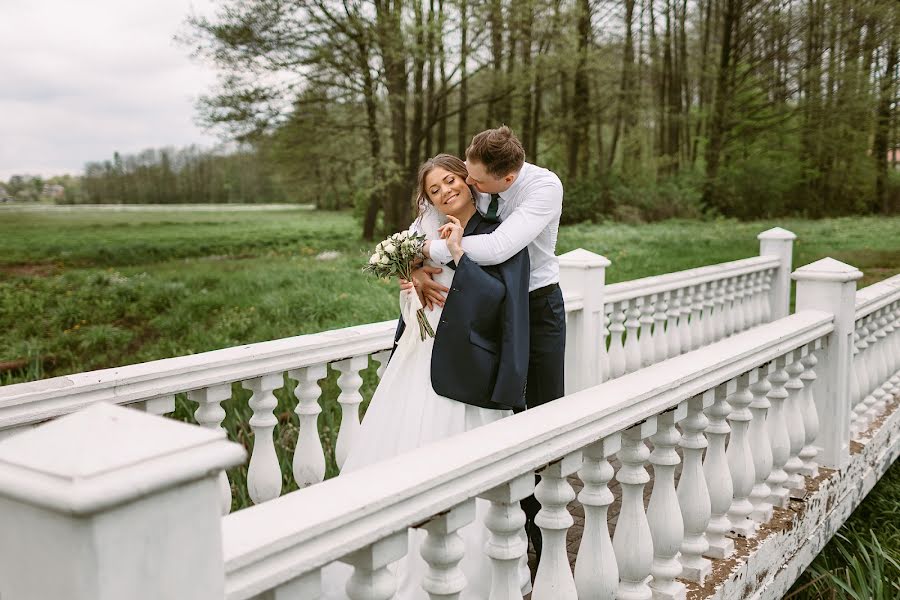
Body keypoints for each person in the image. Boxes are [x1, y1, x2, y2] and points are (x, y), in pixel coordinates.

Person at [320, 154, 532, 599]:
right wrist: (412, 279)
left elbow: (499, 302)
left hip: (468, 369)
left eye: (451, 181)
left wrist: (458, 255)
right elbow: (416, 298)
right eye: (435, 189)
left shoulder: (498, 234)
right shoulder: (422, 239)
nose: (445, 192)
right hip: (421, 358)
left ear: (469, 181)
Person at [409, 126, 565, 562]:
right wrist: (412, 266)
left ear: (506, 179)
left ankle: (545, 533)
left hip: (534, 306)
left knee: (543, 415)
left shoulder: (541, 188)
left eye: (473, 180)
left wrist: (431, 254)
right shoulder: (468, 186)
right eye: (465, 174)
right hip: (484, 315)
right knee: (505, 413)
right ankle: (509, 526)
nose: (466, 184)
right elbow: (420, 226)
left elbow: (496, 247)